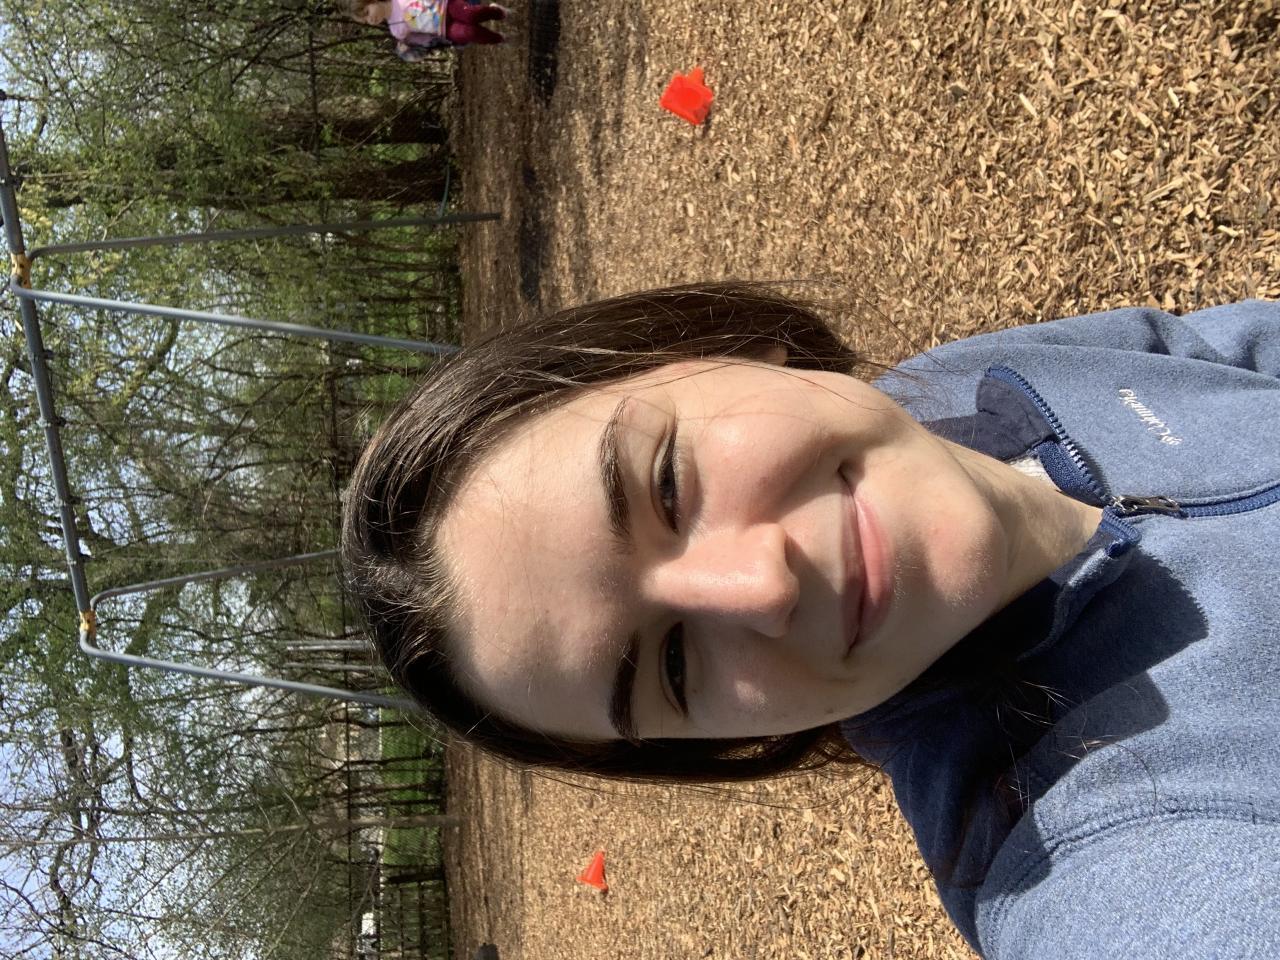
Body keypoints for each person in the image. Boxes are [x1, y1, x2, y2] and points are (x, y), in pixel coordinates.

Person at [341, 282, 1280, 958]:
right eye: (673, 667)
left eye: (666, 484)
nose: (759, 588)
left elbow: (1214, 349)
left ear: (728, 351)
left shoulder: (954, 391)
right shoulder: (1099, 856)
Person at [348, 0, 509, 58]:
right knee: (469, 33)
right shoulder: (396, 31)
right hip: (443, 28)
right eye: (366, 21)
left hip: (446, 5)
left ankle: (497, 12)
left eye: (367, 13)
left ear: (373, 1)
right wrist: (409, 49)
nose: (370, 20)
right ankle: (499, 38)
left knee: (471, 15)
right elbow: (421, 40)